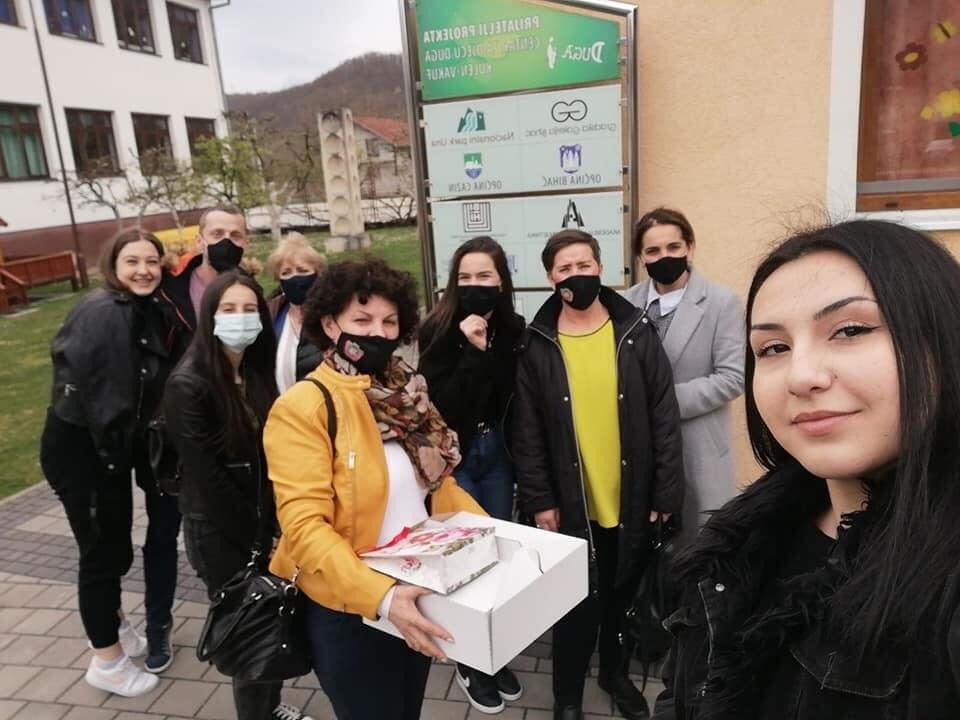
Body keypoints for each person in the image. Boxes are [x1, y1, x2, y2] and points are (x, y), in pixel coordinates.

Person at [653, 220, 960, 719]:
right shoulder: (738, 542)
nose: (801, 376)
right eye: (773, 348)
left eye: (851, 330)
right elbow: (683, 688)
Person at [263, 257, 486, 720]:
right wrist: (382, 597)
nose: (378, 333)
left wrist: (491, 537)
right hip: (351, 609)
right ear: (330, 324)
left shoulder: (406, 395)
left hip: (415, 589)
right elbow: (304, 527)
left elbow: (438, 487)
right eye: (362, 320)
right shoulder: (305, 406)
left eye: (389, 321)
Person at [512, 229, 686, 720]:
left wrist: (665, 492)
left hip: (631, 496)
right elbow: (527, 431)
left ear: (600, 268)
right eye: (565, 268)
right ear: (551, 277)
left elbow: (664, 414)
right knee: (573, 606)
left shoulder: (634, 331)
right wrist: (540, 500)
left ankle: (615, 675)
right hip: (571, 503)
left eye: (584, 265)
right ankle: (567, 696)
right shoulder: (537, 343)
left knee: (620, 599)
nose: (577, 275)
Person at [40, 229, 187, 697]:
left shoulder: (139, 307)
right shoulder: (106, 312)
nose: (144, 270)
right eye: (132, 262)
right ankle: (106, 661)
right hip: (86, 452)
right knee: (101, 558)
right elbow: (107, 400)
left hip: (105, 451)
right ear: (113, 266)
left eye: (152, 261)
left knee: (113, 550)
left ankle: (115, 628)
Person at [162, 272, 311, 720]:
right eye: (228, 309)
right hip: (222, 533)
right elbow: (210, 483)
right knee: (253, 626)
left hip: (262, 522)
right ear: (210, 316)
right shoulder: (188, 384)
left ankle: (268, 706)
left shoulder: (254, 370)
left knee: (274, 616)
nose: (240, 317)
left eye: (249, 309)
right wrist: (260, 539)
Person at [418, 236, 526, 714]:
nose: (474, 285)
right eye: (465, 277)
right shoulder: (438, 328)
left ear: (501, 281)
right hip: (457, 457)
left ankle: (492, 652)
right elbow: (442, 405)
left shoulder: (514, 327)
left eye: (484, 276)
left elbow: (509, 392)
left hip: (497, 452)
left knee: (494, 556)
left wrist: (490, 348)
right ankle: (468, 659)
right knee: (462, 559)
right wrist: (470, 348)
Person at [624, 208, 745, 544]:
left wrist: (661, 403)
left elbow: (732, 376)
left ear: (689, 247)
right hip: (641, 449)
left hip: (698, 450)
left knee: (700, 545)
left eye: (673, 247)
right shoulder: (625, 304)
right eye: (653, 250)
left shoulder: (721, 302)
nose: (664, 256)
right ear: (641, 258)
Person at [161, 203, 250, 331]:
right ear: (199, 242)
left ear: (246, 244)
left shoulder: (252, 289)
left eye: (235, 235)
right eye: (217, 234)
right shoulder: (172, 290)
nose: (226, 241)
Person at [266, 232, 327, 393]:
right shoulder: (271, 314)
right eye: (286, 273)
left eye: (302, 270)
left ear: (318, 273)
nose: (295, 278)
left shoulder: (333, 313)